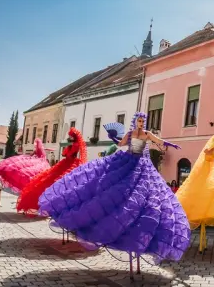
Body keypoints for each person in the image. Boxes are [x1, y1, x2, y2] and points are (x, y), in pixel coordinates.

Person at [39, 113, 191, 263]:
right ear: (135, 121)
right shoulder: (131, 134)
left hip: (142, 166)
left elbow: (159, 140)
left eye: (143, 121)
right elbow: (120, 144)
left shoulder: (147, 134)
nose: (141, 123)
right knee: (114, 190)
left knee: (147, 195)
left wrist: (170, 144)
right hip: (128, 162)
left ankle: (138, 234)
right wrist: (113, 138)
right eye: (139, 120)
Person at [17, 128, 87, 215]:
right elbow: (65, 154)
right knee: (54, 180)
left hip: (70, 163)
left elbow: (67, 154)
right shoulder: (72, 145)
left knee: (56, 180)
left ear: (74, 137)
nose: (70, 137)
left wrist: (67, 150)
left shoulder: (75, 145)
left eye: (71, 136)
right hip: (67, 163)